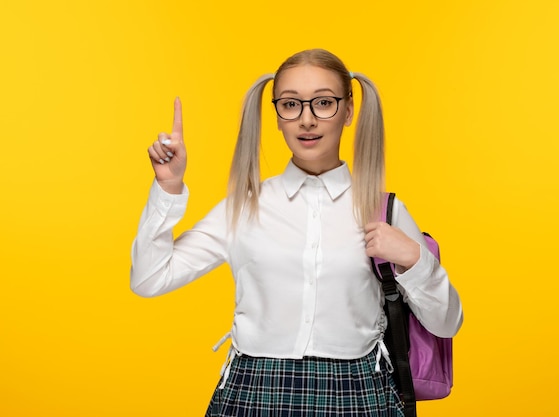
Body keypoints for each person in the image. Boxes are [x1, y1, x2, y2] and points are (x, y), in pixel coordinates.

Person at [131, 48, 463, 417]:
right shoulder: (243, 206)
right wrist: (168, 188)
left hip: (356, 394)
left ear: (349, 110)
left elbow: (446, 323)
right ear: (277, 116)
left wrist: (417, 261)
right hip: (255, 391)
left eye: (323, 102)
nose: (307, 119)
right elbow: (149, 279)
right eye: (291, 105)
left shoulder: (382, 210)